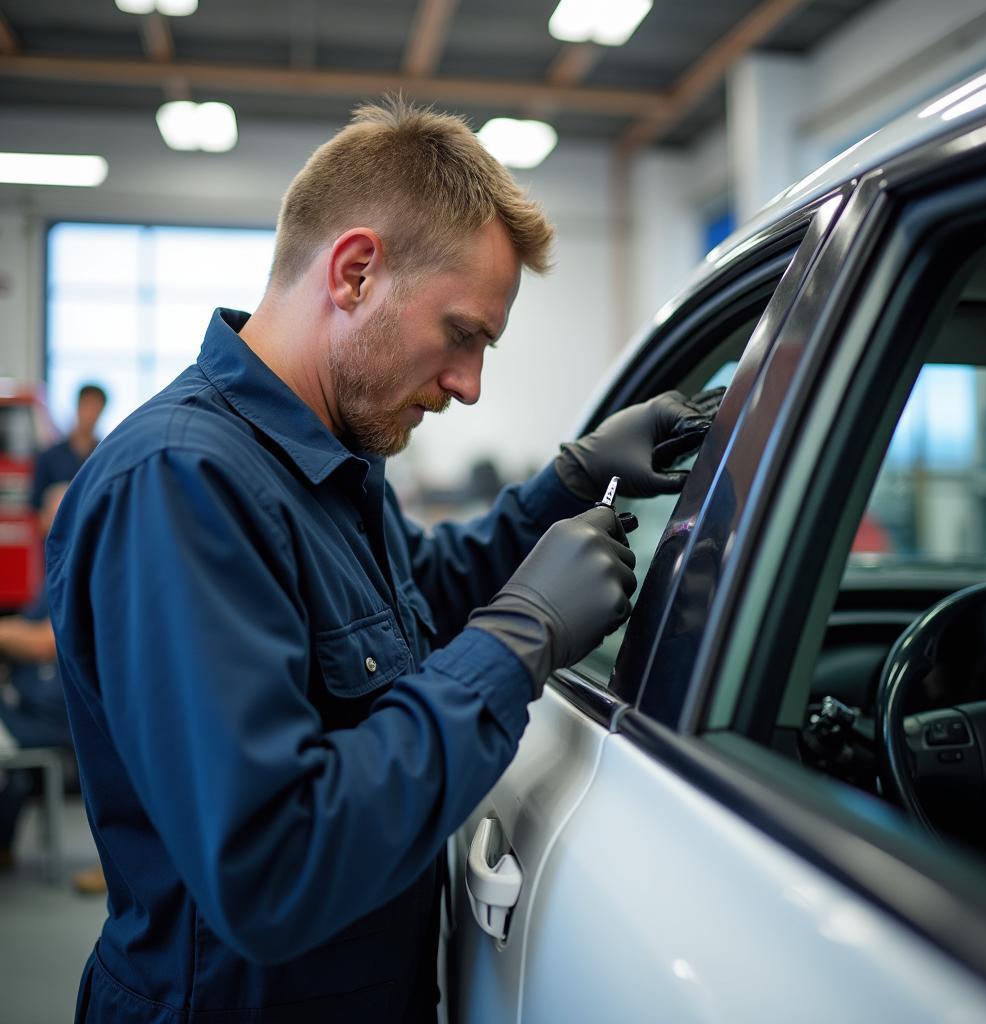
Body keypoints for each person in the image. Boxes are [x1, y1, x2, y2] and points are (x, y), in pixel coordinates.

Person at [47, 99, 721, 1023]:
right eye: (462, 333)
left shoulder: (325, 464)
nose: (469, 385)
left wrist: (568, 481)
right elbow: (272, 865)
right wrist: (516, 640)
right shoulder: (183, 485)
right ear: (356, 272)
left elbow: (414, 601)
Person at [0, 482, 71, 869]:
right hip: (27, 702)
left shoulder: (82, 565)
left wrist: (4, 632)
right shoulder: (52, 564)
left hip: (55, 717)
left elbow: (47, 642)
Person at [30, 383, 107, 514]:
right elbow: (35, 507)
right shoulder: (50, 457)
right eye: (88, 406)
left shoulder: (104, 457)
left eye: (96, 408)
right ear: (78, 406)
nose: (91, 414)